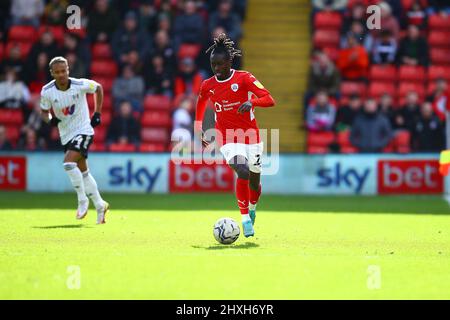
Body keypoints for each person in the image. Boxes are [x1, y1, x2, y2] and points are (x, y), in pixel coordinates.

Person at [194, 33, 276, 237]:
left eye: (220, 64)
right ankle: (245, 219)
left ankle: (253, 208)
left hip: (251, 137)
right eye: (213, 65)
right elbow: (201, 102)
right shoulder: (208, 85)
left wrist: (252, 102)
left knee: (255, 182)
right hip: (227, 136)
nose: (217, 69)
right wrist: (198, 127)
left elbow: (269, 99)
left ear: (230, 61)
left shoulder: (244, 78)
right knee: (242, 170)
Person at [39, 56, 109, 224]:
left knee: (68, 164)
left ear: (68, 70)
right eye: (57, 72)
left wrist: (97, 113)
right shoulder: (47, 91)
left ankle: (82, 199)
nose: (61, 74)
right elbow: (44, 111)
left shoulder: (79, 84)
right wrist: (50, 119)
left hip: (84, 130)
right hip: (66, 135)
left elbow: (98, 88)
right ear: (52, 73)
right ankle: (100, 205)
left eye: (64, 71)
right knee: (83, 172)